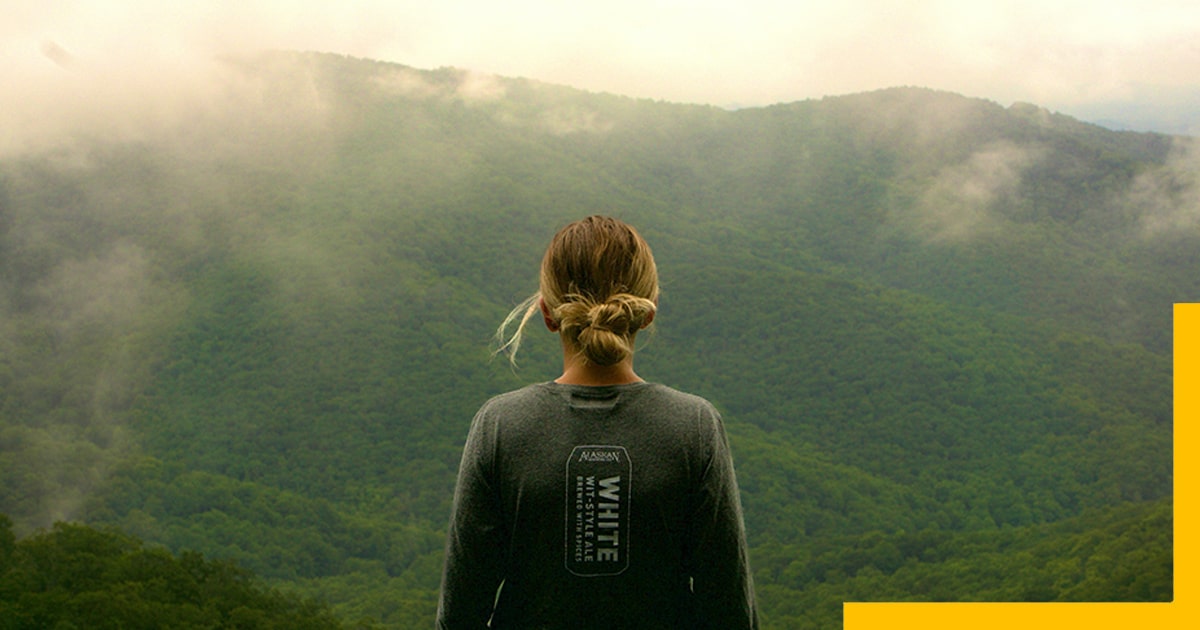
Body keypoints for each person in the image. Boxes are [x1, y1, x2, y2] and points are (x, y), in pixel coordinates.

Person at [436, 216, 758, 629]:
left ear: (547, 314)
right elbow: (729, 610)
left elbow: (460, 613)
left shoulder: (501, 426)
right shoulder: (693, 427)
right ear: (646, 314)